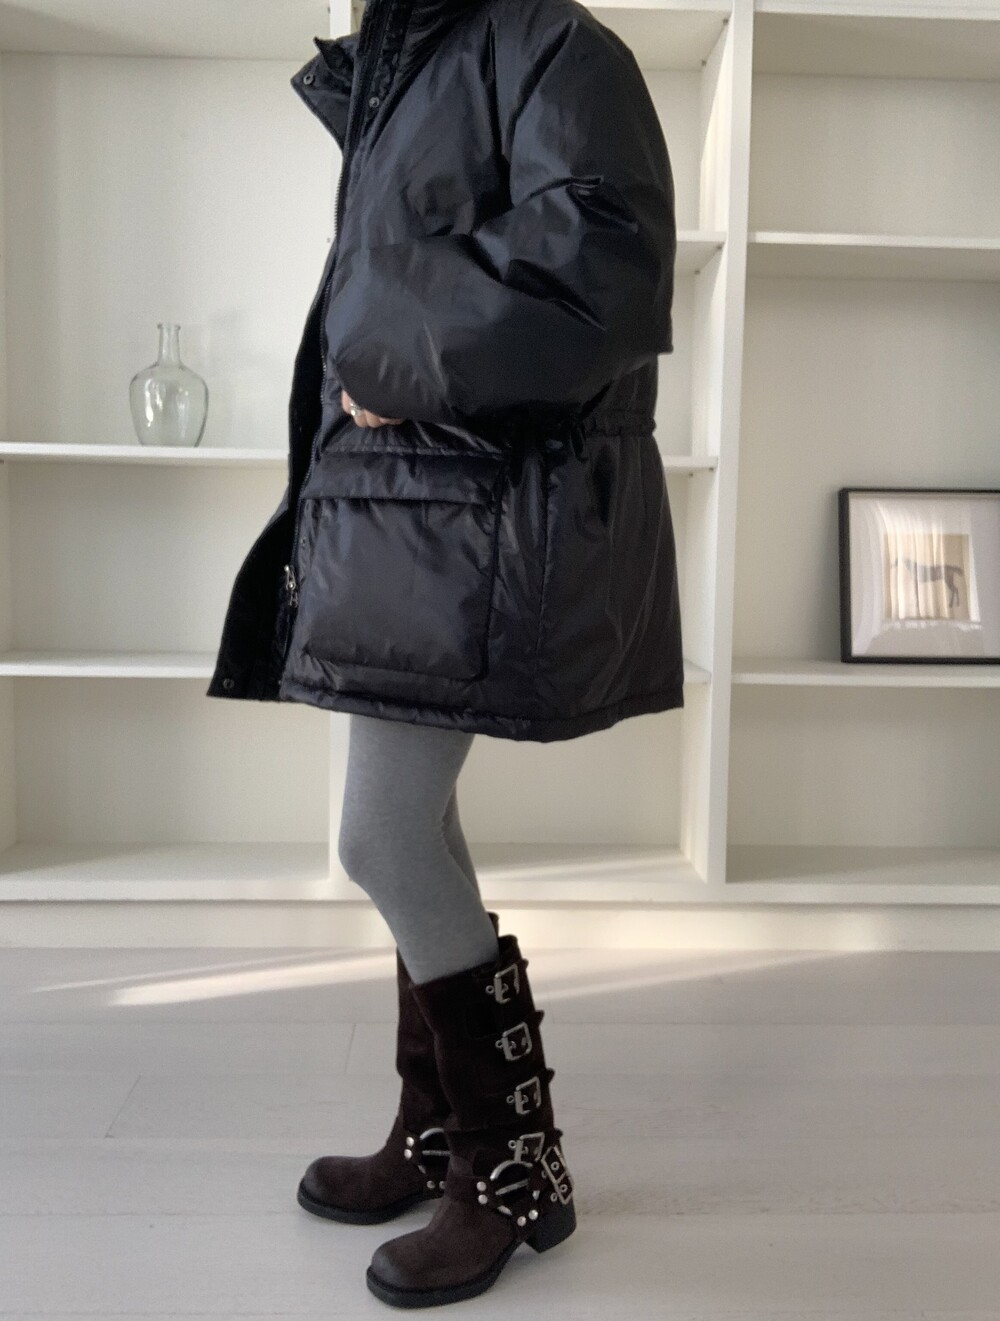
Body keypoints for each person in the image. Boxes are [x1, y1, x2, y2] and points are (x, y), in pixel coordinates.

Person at [206, 0, 682, 1305]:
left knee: (381, 838)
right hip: (413, 509)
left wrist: (382, 341)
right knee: (414, 829)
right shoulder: (408, 63)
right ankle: (445, 1131)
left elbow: (603, 259)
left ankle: (514, 1165)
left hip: (468, 509)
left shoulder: (550, 46)